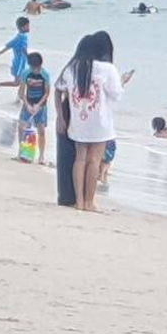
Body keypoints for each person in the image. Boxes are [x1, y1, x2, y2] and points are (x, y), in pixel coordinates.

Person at [55, 31, 132, 211]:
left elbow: (58, 88)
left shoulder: (72, 67)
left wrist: (60, 116)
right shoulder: (107, 69)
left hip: (78, 122)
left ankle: (79, 201)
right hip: (100, 123)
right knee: (94, 160)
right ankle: (89, 202)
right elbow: (116, 94)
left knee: (80, 159)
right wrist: (123, 81)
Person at [55, 35, 93, 207]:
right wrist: (60, 117)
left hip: (72, 113)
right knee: (70, 156)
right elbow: (58, 90)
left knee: (73, 156)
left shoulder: (77, 68)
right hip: (70, 113)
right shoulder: (73, 68)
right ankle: (69, 196)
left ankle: (73, 197)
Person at [17, 52, 51, 165]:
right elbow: (21, 92)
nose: (36, 70)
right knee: (21, 128)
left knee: (41, 130)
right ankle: (21, 152)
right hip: (28, 102)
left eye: (38, 68)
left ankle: (41, 156)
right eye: (33, 68)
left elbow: (46, 93)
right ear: (30, 66)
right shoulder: (26, 73)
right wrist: (27, 105)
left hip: (41, 105)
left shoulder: (45, 74)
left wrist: (38, 105)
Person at [0, 17, 30, 96]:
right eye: (27, 26)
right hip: (19, 64)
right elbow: (24, 50)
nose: (29, 27)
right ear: (22, 27)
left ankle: (19, 98)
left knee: (22, 81)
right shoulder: (22, 37)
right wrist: (30, 59)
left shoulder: (19, 36)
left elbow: (7, 47)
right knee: (17, 82)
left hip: (19, 62)